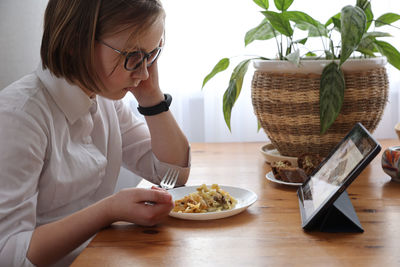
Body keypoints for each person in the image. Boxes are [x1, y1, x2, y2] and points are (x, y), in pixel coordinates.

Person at [0, 0, 191, 266]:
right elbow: (9, 255)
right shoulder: (18, 117)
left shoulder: (104, 100)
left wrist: (152, 97)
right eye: (132, 57)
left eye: (152, 54)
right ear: (75, 44)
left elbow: (172, 174)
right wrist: (109, 210)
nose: (144, 72)